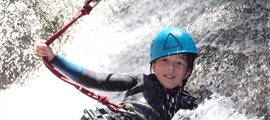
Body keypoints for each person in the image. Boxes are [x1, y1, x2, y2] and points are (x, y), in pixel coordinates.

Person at [35, 27, 198, 120]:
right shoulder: (138, 81)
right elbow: (93, 79)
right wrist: (54, 58)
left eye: (179, 63)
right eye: (164, 61)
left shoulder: (186, 103)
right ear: (153, 65)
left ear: (187, 72)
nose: (171, 69)